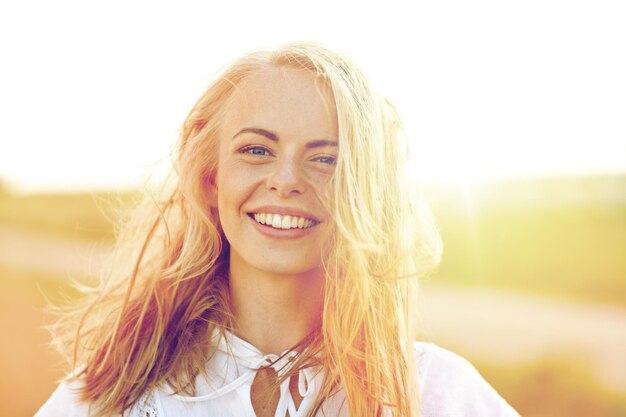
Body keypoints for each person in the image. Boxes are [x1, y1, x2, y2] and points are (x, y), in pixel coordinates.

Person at [35, 42, 520, 417]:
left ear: (365, 192)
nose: (286, 181)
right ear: (210, 179)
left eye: (326, 159)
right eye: (256, 150)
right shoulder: (110, 395)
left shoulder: (438, 393)